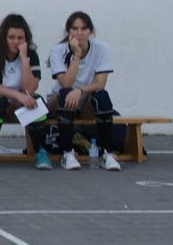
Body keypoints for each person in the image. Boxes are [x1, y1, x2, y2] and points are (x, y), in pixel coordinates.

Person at [0, 13, 51, 170]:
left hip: (16, 103)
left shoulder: (31, 55)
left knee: (37, 102)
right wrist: (18, 95)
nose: (16, 42)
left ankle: (40, 152)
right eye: (11, 37)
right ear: (4, 37)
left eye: (20, 38)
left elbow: (30, 89)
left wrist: (24, 59)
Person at [47, 11, 121, 171]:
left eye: (84, 28)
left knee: (102, 96)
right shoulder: (58, 50)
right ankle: (67, 153)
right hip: (61, 100)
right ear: (68, 32)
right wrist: (77, 55)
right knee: (66, 93)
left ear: (91, 31)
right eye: (74, 28)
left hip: (86, 99)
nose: (79, 33)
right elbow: (66, 83)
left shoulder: (101, 48)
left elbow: (100, 83)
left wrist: (80, 90)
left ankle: (107, 153)